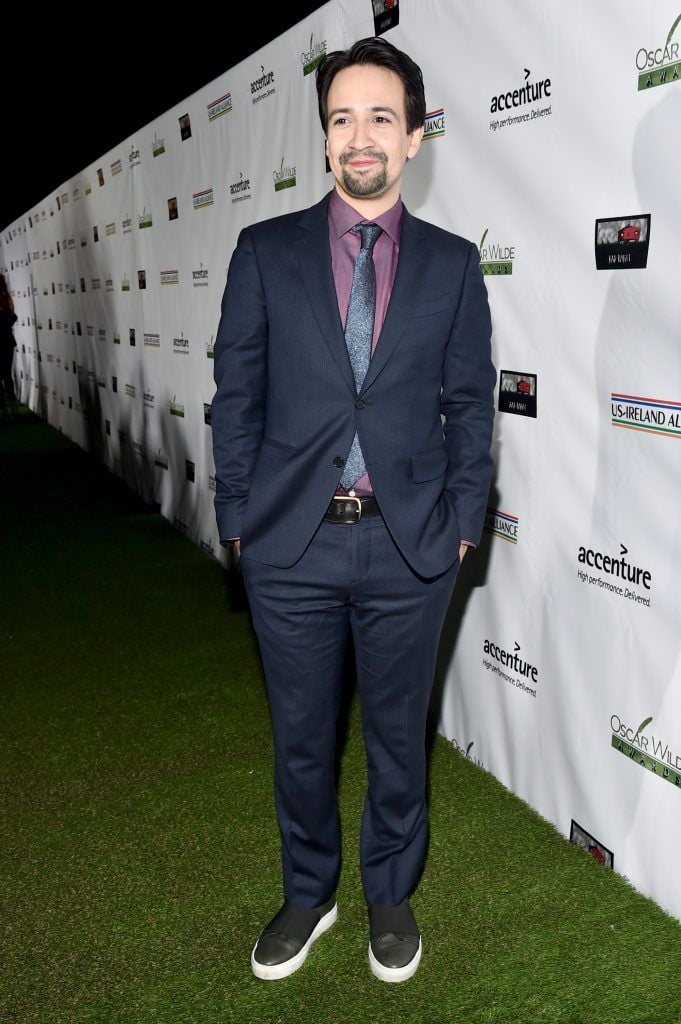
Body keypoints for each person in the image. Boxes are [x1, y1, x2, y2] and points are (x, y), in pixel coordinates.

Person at [211, 36, 496, 983]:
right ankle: (307, 893)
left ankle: (388, 894)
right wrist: (240, 523)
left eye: (381, 117)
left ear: (415, 136)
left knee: (396, 738)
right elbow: (237, 398)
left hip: (409, 547)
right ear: (326, 136)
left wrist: (460, 526)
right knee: (300, 737)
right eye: (341, 118)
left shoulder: (455, 266)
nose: (360, 136)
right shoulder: (264, 251)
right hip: (288, 547)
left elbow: (470, 405)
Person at [0, 273, 18, 418]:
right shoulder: (7, 299)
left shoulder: (6, 298)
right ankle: (8, 405)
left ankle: (10, 404)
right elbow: (12, 316)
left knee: (6, 373)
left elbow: (12, 316)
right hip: (7, 341)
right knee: (6, 374)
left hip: (6, 341)